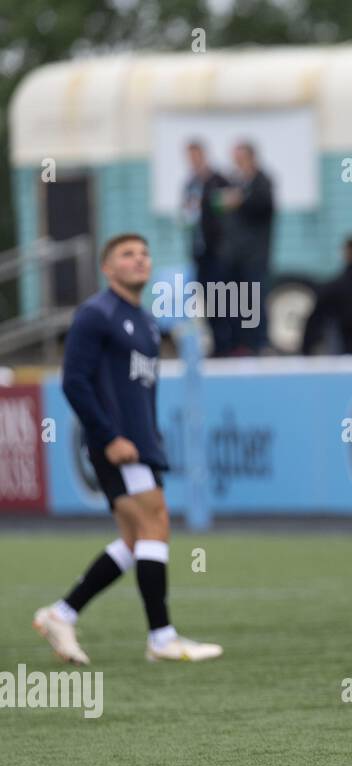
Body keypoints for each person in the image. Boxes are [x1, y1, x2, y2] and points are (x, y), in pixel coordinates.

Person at [33, 234, 223, 664]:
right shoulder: (95, 315)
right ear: (107, 267)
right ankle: (161, 638)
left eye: (144, 253)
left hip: (140, 443)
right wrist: (109, 435)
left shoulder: (149, 323)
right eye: (127, 254)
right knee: (155, 524)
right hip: (117, 444)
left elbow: (141, 392)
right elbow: (74, 382)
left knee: (136, 538)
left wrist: (147, 438)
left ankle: (61, 614)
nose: (139, 260)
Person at [220, 141, 275, 354]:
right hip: (235, 256)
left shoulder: (262, 181)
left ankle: (259, 343)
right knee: (236, 301)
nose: (237, 163)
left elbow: (262, 206)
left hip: (255, 256)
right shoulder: (236, 182)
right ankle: (240, 344)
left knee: (255, 300)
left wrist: (240, 201)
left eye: (240, 158)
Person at [180, 141, 231, 350]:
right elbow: (188, 214)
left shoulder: (218, 181)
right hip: (200, 251)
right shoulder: (190, 183)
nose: (193, 161)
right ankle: (216, 344)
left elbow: (226, 216)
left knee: (223, 299)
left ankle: (226, 343)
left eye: (196, 156)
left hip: (218, 251)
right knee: (207, 299)